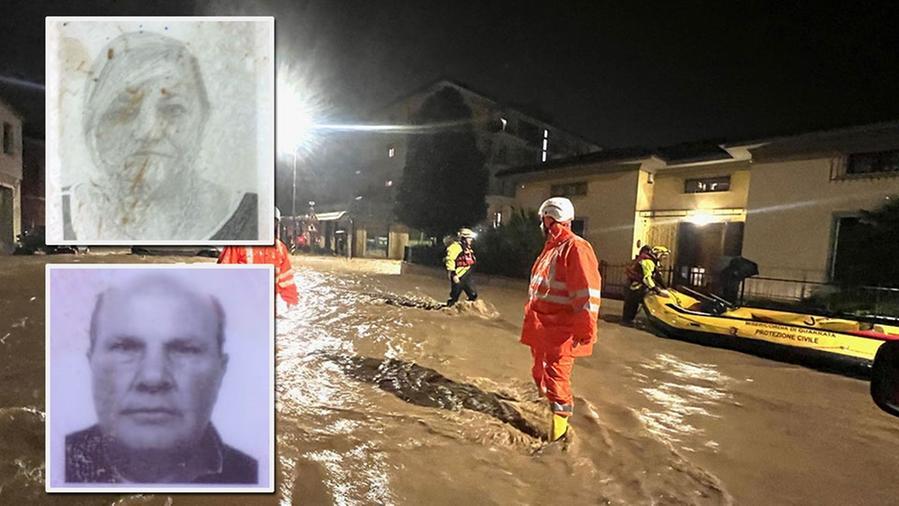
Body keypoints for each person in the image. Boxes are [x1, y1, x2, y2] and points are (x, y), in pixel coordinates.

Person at [62, 31, 258, 241]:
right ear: (93, 125)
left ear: (202, 120)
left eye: (173, 110)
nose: (148, 131)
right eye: (124, 111)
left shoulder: (250, 215)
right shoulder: (62, 213)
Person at [65, 275, 257, 484]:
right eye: (125, 347)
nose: (153, 377)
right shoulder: (49, 462)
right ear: (91, 363)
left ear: (220, 371)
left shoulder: (256, 478)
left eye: (185, 350)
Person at [521, 197, 601, 442]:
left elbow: (587, 293)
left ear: (547, 219)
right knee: (540, 374)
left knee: (557, 381)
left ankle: (558, 439)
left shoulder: (576, 248)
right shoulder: (552, 248)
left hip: (561, 331)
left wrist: (584, 329)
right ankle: (547, 417)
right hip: (542, 327)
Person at [218, 208, 299, 309]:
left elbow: (287, 283)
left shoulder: (280, 248)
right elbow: (222, 278)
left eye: (272, 222)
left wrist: (291, 306)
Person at [620, 245, 670, 325]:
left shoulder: (650, 261)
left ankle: (627, 320)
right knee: (632, 303)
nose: (663, 259)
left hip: (634, 284)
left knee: (632, 303)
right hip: (634, 285)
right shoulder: (648, 261)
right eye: (663, 256)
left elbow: (657, 277)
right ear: (658, 254)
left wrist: (665, 288)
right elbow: (647, 278)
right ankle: (627, 320)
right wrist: (657, 290)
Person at [444, 228, 478, 306]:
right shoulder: (455, 247)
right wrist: (453, 274)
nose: (471, 240)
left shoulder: (467, 247)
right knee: (454, 297)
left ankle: (466, 309)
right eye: (469, 238)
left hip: (467, 274)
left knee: (473, 295)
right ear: (463, 239)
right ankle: (449, 309)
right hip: (458, 276)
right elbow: (450, 260)